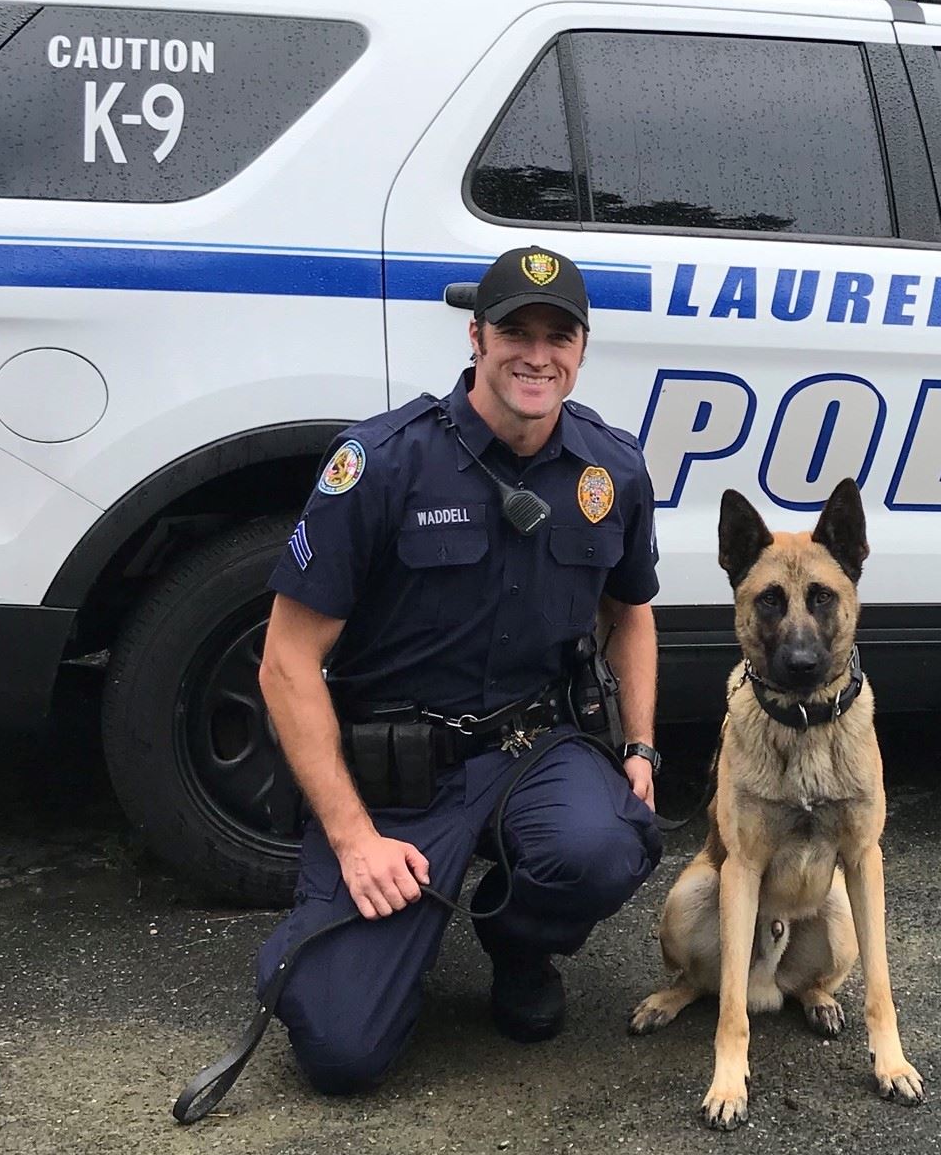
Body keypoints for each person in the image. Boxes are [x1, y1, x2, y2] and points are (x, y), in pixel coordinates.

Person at [253, 245, 664, 1094]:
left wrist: (640, 748)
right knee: (340, 1052)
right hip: (396, 778)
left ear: (582, 349)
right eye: (516, 328)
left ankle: (517, 944)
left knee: (605, 845)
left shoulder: (610, 469)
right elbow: (286, 661)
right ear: (476, 335)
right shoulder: (382, 463)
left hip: (529, 746)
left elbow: (631, 612)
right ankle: (349, 920)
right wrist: (355, 838)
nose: (537, 353)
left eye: (560, 334)